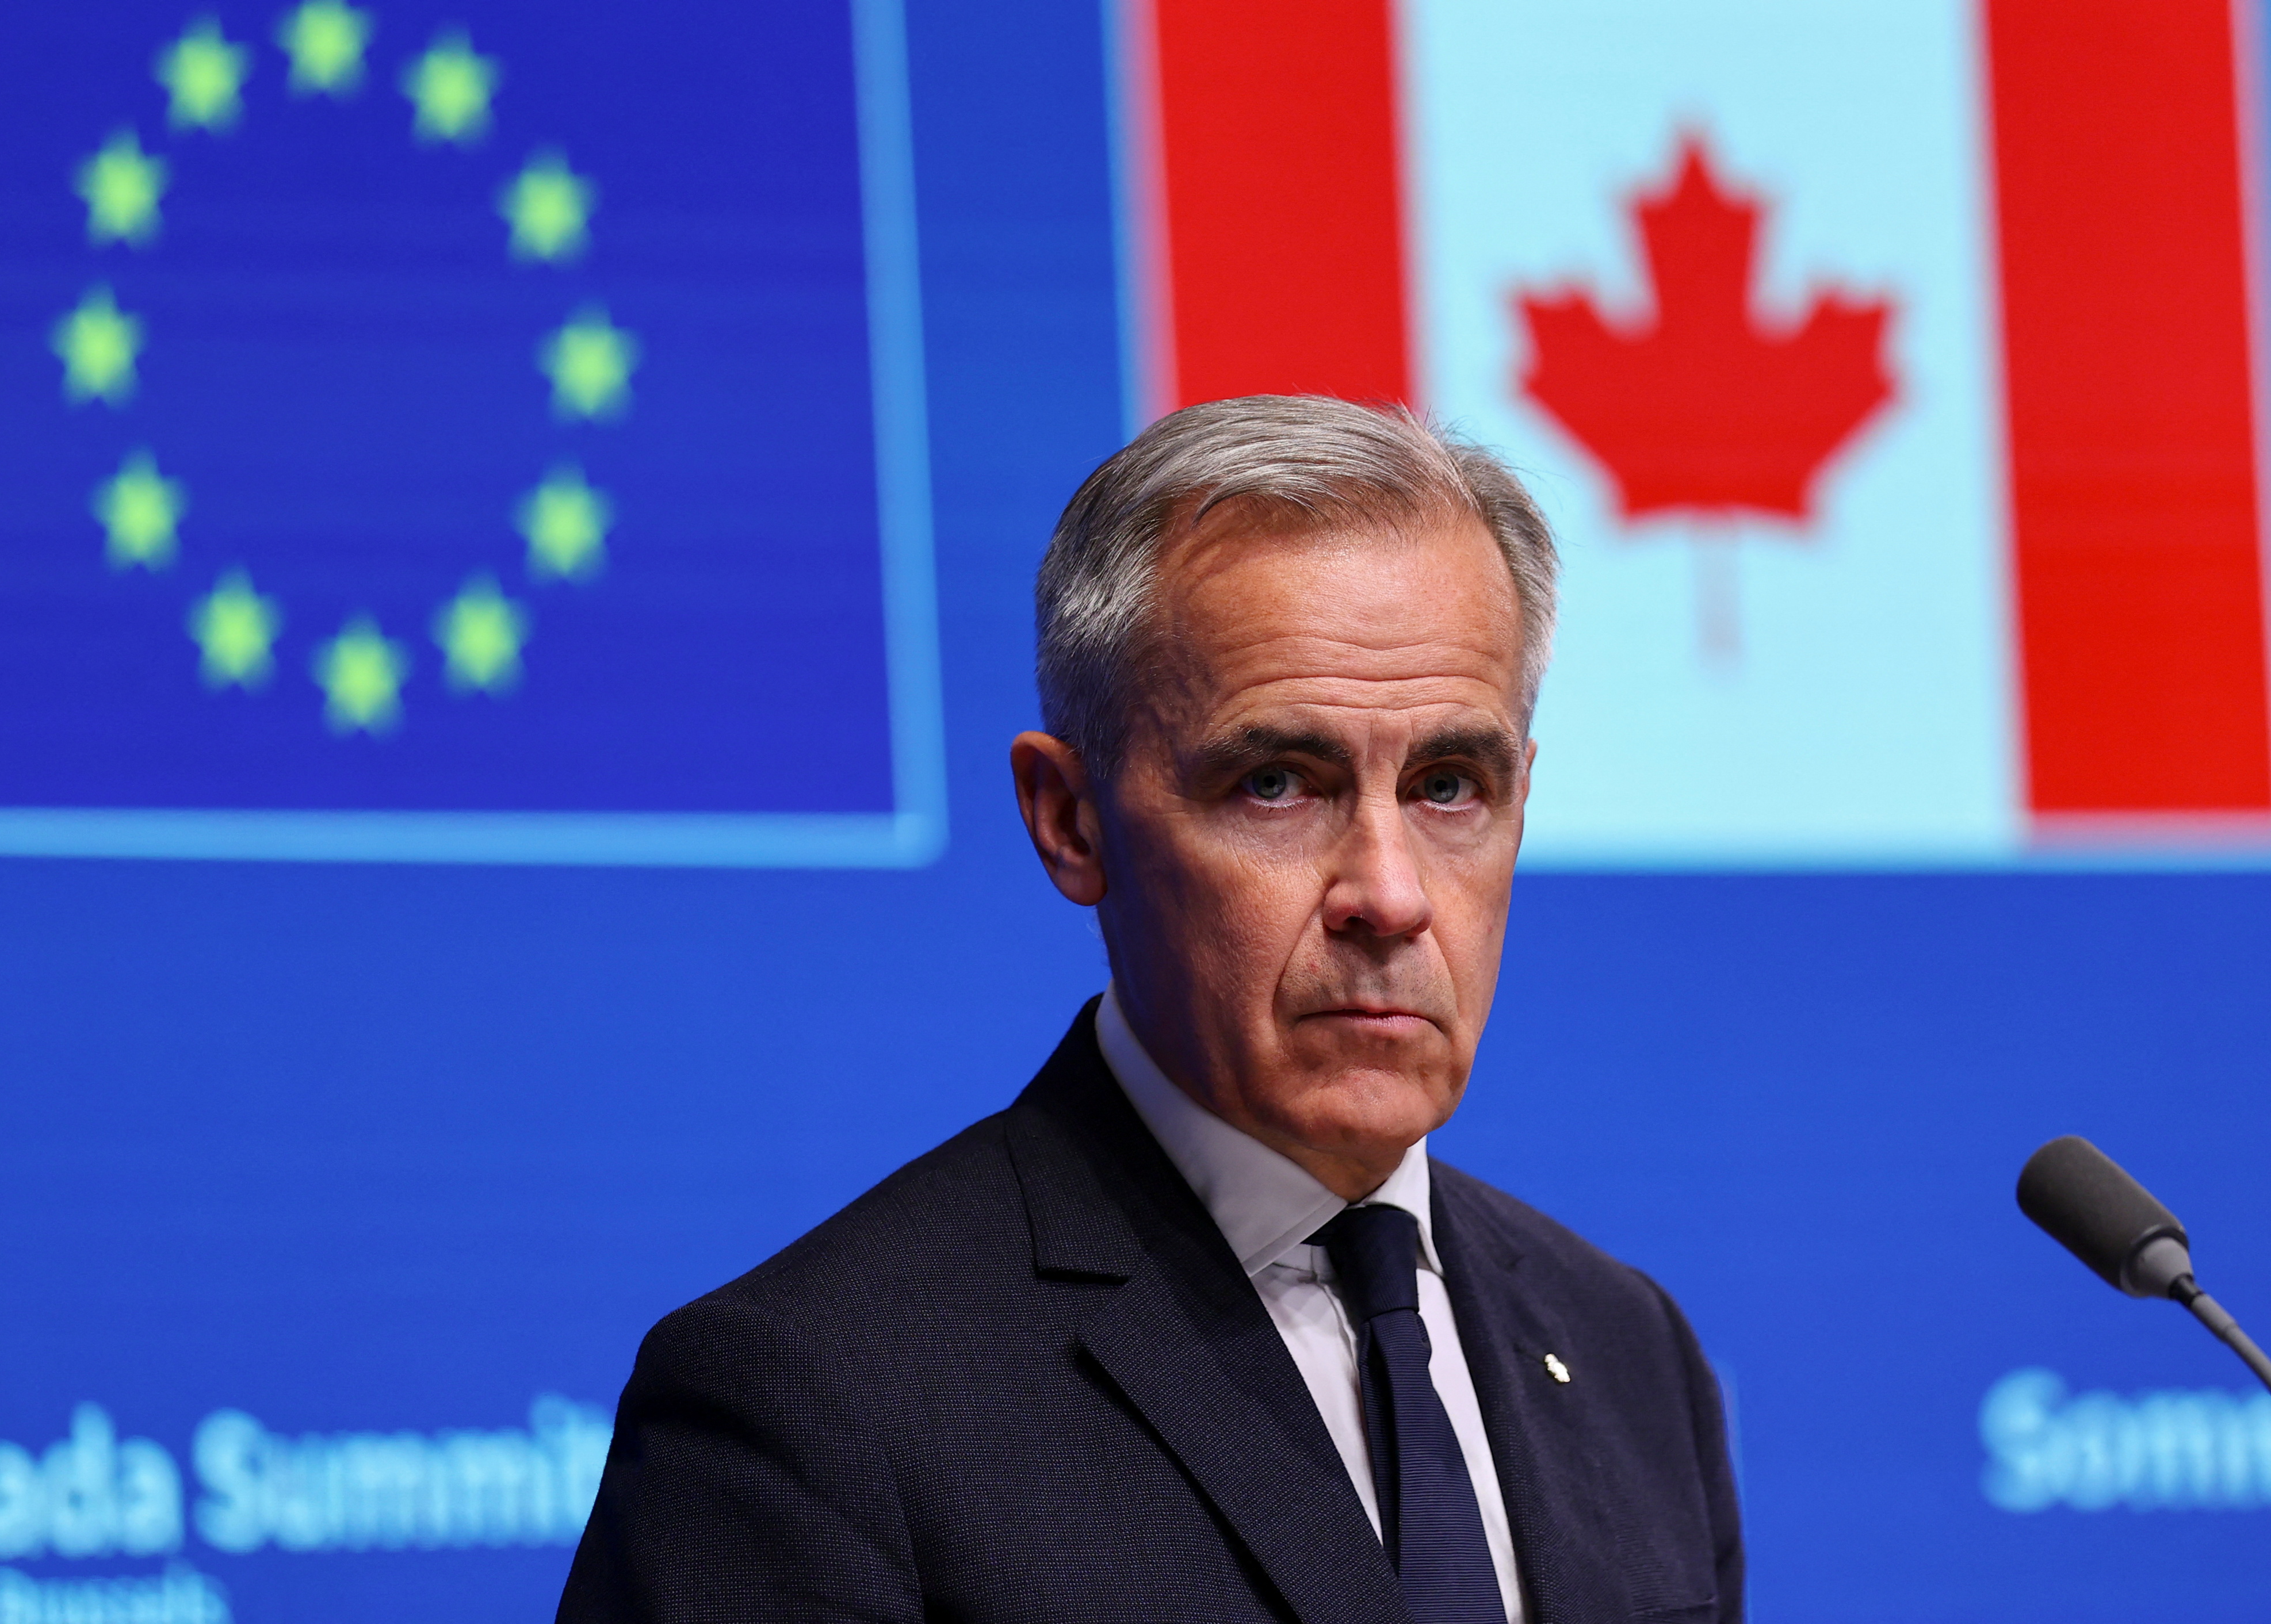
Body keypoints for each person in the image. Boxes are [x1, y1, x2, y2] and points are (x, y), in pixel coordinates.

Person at [556, 396, 1742, 1623]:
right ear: (1070, 819)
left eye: (1449, 786)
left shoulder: (1627, 1351)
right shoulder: (809, 1405)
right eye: (1276, 782)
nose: (1391, 896)